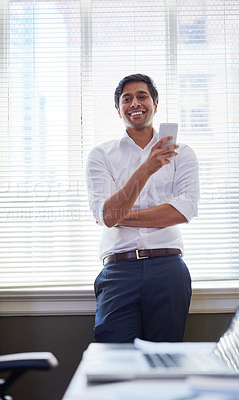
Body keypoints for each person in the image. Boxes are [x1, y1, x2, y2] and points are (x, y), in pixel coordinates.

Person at [86, 73, 199, 343]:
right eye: (127, 98)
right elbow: (106, 214)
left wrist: (121, 216)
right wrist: (148, 167)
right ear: (119, 109)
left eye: (142, 96)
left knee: (165, 358)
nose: (135, 103)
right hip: (118, 270)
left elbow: (182, 211)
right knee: (114, 357)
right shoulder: (101, 155)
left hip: (168, 268)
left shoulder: (182, 153)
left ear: (155, 105)